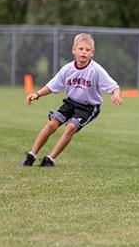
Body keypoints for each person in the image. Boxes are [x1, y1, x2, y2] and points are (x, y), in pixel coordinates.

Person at [21, 33, 122, 167]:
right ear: (74, 50)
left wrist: (116, 95)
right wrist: (37, 94)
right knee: (52, 124)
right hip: (71, 103)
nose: (84, 52)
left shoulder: (96, 70)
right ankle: (31, 156)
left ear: (92, 53)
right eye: (81, 49)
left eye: (87, 50)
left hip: (89, 107)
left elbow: (114, 86)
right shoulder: (67, 69)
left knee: (70, 127)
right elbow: (52, 86)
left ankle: (50, 159)